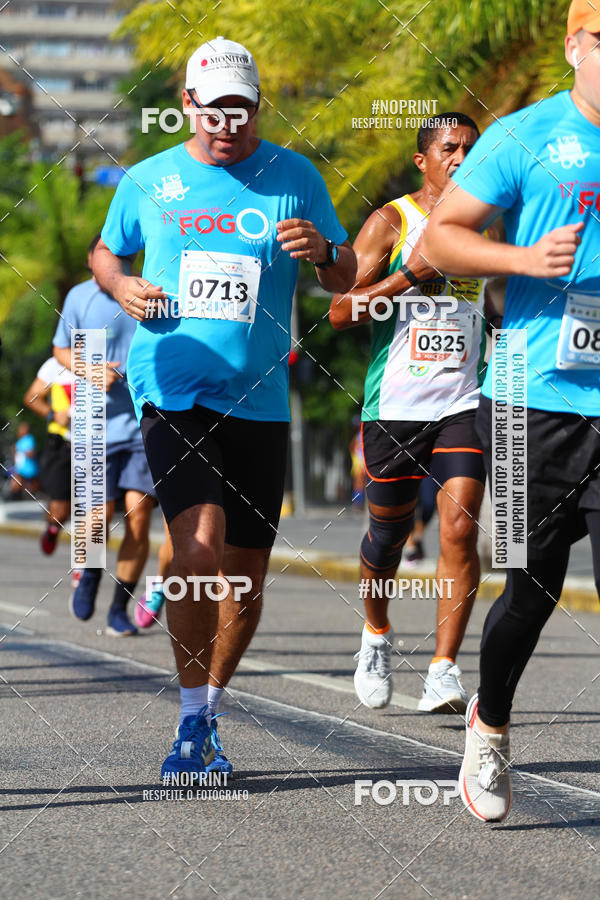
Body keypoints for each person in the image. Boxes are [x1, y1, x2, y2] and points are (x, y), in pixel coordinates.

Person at [92, 36, 356, 778]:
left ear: (257, 106)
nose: (228, 123)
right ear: (188, 105)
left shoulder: (294, 177)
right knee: (198, 549)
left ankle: (209, 713)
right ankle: (186, 726)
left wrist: (324, 254)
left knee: (244, 575)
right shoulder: (148, 181)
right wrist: (120, 288)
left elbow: (346, 274)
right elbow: (105, 253)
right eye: (215, 110)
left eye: (242, 109)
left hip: (261, 399)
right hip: (173, 386)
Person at [421, 0, 600, 823]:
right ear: (575, 46)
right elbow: (440, 242)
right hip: (534, 395)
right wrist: (525, 257)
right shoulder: (526, 135)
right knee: (532, 585)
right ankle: (488, 724)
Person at [330, 113, 492, 715]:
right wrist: (408, 277)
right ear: (423, 159)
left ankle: (444, 669)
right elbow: (343, 313)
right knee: (387, 538)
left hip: (464, 402)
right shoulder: (392, 221)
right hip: (394, 406)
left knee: (458, 527)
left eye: (470, 149)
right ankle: (375, 634)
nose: (461, 156)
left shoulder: (486, 220)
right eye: (449, 148)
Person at [54, 235, 160, 637]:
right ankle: (90, 573)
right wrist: (88, 368)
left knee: (139, 516)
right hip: (93, 422)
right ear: (90, 258)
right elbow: (60, 350)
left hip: (140, 422)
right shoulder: (78, 299)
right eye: (104, 254)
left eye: (120, 254)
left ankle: (120, 606)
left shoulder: (146, 291)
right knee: (97, 516)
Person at [24, 356, 73, 556]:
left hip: (99, 444)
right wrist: (53, 414)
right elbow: (31, 397)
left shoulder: (106, 359)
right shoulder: (56, 364)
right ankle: (53, 529)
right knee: (61, 509)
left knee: (97, 509)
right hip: (63, 444)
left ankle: (87, 570)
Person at [11, 423, 40, 497]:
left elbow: (31, 452)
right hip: (20, 467)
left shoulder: (29, 439)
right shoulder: (19, 440)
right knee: (16, 483)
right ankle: (17, 497)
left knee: (34, 485)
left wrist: (21, 451)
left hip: (29, 467)